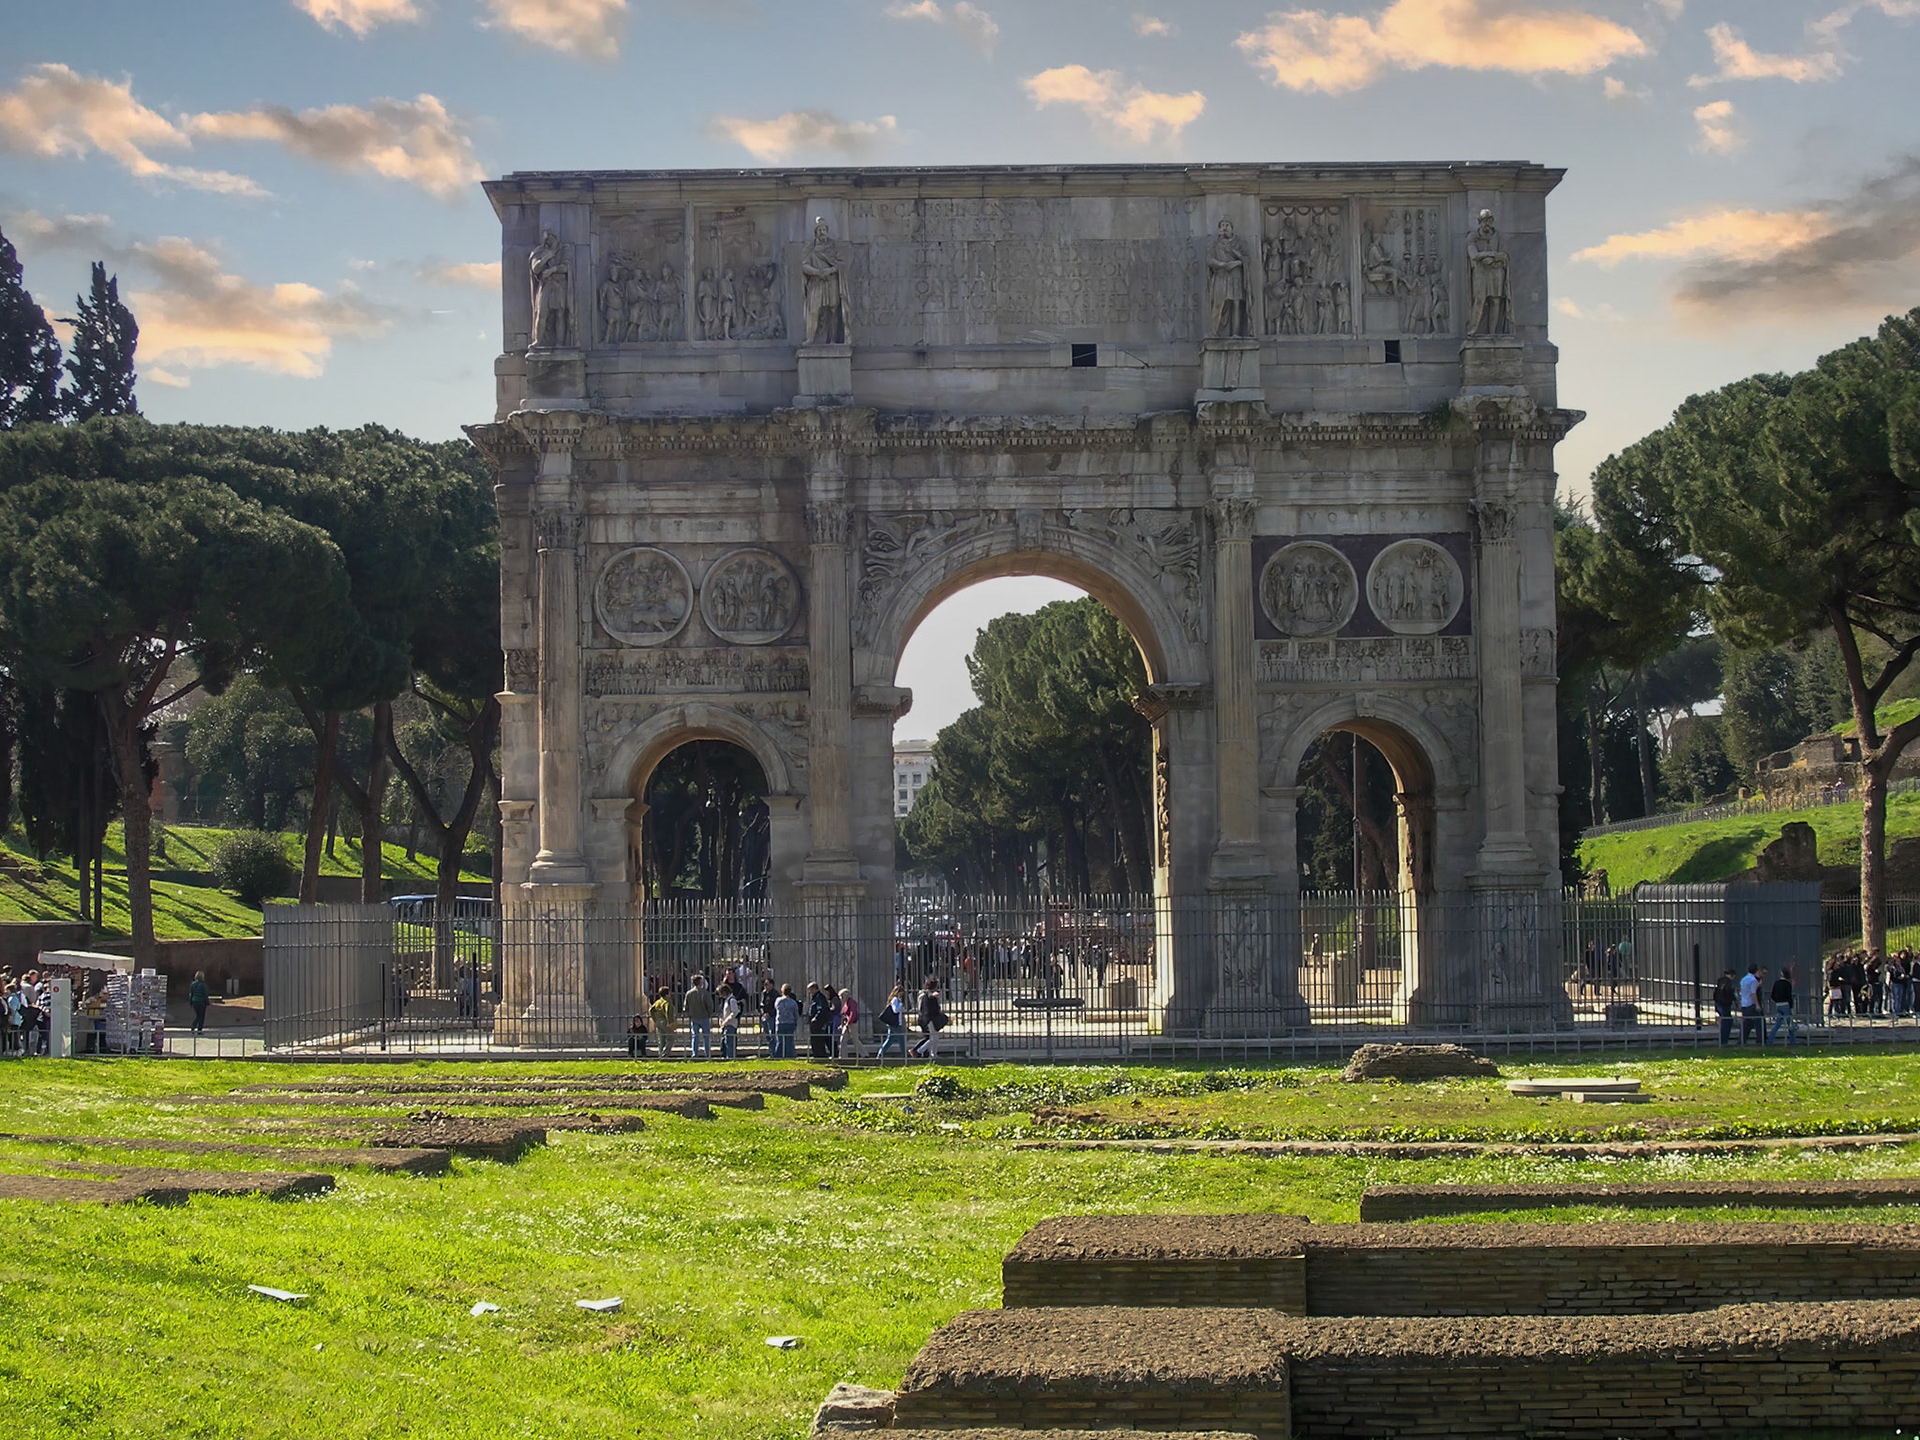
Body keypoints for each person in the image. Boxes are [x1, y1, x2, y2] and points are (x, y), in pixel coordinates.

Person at [910, 980, 947, 1061]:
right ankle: (919, 1051)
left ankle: (933, 1054)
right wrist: (935, 997)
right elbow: (931, 1000)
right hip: (929, 1019)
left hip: (926, 1018)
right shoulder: (928, 995)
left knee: (933, 1037)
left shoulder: (924, 994)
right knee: (932, 1038)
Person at [683, 973, 716, 1060]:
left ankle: (694, 1053)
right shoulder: (704, 992)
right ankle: (707, 1053)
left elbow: (685, 1006)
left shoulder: (689, 993)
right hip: (704, 1016)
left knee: (695, 1036)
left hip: (694, 1017)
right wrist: (709, 1013)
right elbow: (710, 1005)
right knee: (706, 1036)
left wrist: (689, 1014)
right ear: (700, 982)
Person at [1768, 964, 1798, 1045]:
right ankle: (1792, 1041)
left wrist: (1777, 1001)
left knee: (1777, 1024)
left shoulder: (1776, 983)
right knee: (1789, 1024)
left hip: (1778, 1005)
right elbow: (1789, 996)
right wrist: (1791, 1007)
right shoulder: (1787, 984)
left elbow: (1772, 995)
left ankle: (1770, 1041)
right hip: (1786, 1005)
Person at [1737, 962, 1766, 1046]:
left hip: (1744, 1003)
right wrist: (1757, 1004)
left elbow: (1745, 990)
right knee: (1759, 1022)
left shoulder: (1744, 979)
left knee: (1747, 1023)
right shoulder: (1753, 980)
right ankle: (1760, 1040)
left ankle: (1742, 1040)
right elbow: (1753, 993)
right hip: (1751, 1003)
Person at [771, 983, 800, 1059]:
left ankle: (778, 1056)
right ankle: (790, 1055)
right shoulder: (793, 1002)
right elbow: (796, 1013)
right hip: (790, 1023)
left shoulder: (778, 1001)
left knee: (780, 1041)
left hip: (780, 1022)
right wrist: (796, 1022)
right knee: (789, 1041)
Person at [806, 982, 834, 1059]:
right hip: (815, 1023)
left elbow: (822, 1009)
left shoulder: (819, 998)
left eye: (811, 989)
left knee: (818, 1040)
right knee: (814, 1040)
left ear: (815, 989)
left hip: (818, 1023)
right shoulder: (815, 998)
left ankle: (820, 1056)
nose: (810, 992)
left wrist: (816, 1017)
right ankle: (817, 1055)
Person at [878, 984, 907, 1059]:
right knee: (901, 1039)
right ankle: (905, 1056)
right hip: (894, 1024)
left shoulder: (898, 1000)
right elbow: (895, 1010)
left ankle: (880, 1054)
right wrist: (900, 1005)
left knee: (890, 1040)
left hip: (896, 1023)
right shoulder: (895, 1000)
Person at [1712, 967, 1737, 1047]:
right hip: (1725, 1004)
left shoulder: (1720, 981)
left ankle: (1723, 1039)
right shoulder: (1728, 982)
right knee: (1727, 1021)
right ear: (1732, 975)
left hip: (1718, 1003)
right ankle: (1724, 1040)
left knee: (1724, 1020)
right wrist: (1734, 998)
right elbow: (1728, 992)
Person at [839, 988, 864, 1061]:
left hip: (851, 1024)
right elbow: (843, 1015)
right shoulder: (845, 1004)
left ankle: (864, 1054)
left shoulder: (852, 1002)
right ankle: (843, 1057)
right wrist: (842, 1025)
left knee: (855, 1040)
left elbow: (852, 1013)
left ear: (845, 996)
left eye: (841, 996)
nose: (841, 999)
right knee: (843, 1040)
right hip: (847, 1024)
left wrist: (848, 1023)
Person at [650, 983, 674, 1059]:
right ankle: (665, 1054)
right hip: (664, 1021)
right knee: (671, 1039)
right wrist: (670, 1022)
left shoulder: (657, 1002)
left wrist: (654, 1019)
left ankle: (660, 1055)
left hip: (658, 1021)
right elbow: (668, 1012)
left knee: (661, 1040)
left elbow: (651, 1010)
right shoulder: (667, 1002)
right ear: (667, 994)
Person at [719, 983, 741, 1061]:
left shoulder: (732, 1000)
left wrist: (726, 1021)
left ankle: (731, 1058)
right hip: (727, 1024)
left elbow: (734, 1012)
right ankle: (728, 1057)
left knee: (730, 1043)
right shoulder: (727, 1000)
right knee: (726, 1042)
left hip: (730, 1024)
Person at [188, 970, 210, 1035]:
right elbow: (205, 994)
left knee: (198, 1015)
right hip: (201, 1002)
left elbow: (191, 993)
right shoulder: (203, 985)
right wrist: (207, 1002)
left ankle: (193, 1026)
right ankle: (199, 1029)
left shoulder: (193, 984)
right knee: (201, 1016)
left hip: (195, 1001)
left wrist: (191, 1002)